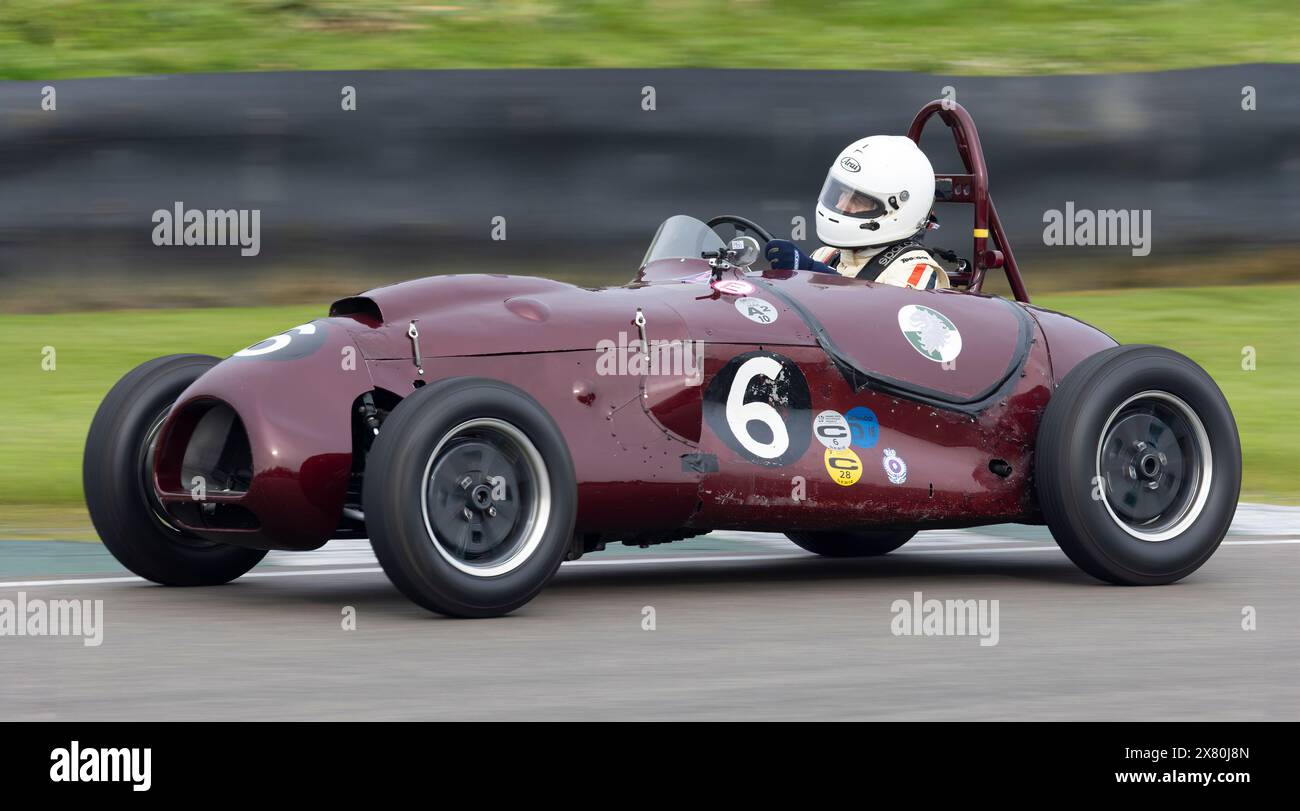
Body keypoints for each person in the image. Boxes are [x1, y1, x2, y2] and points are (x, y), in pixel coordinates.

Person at [765, 135, 950, 290]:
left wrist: (812, 273)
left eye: (857, 200)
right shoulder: (826, 255)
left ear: (898, 211)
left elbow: (883, 324)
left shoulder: (915, 269)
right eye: (841, 193)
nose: (841, 205)